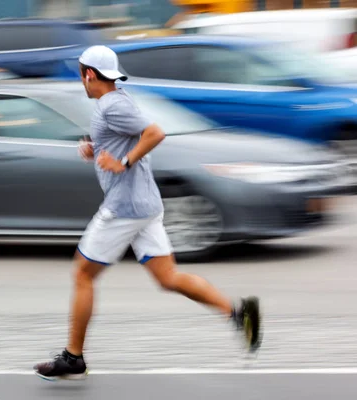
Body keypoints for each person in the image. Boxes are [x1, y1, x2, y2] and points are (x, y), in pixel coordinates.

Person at [33, 45, 262, 381]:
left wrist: (122, 162)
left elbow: (155, 133)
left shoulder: (111, 106)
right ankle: (238, 314)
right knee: (168, 278)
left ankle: (73, 358)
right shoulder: (118, 100)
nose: (82, 80)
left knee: (83, 274)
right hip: (146, 206)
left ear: (90, 75)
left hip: (124, 208)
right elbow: (124, 137)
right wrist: (97, 148)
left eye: (82, 73)